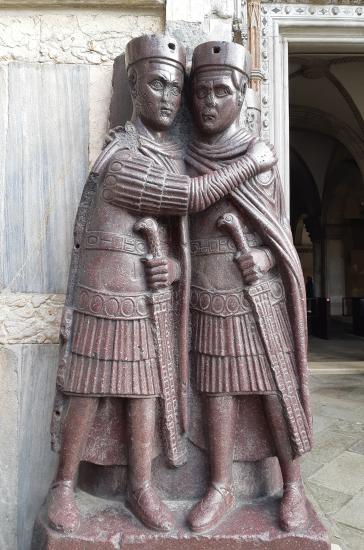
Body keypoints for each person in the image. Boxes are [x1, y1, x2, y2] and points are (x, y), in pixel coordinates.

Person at [48, 34, 276, 534]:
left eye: (176, 89)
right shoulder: (125, 156)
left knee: (145, 391)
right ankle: (63, 486)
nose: (171, 99)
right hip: (107, 291)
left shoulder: (168, 151)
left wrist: (173, 269)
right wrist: (252, 162)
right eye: (157, 85)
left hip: (151, 295)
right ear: (132, 86)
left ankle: (143, 486)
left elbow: (179, 240)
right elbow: (190, 199)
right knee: (89, 388)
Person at [185, 41, 313, 533]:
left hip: (258, 298)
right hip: (208, 296)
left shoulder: (263, 164)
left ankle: (292, 483)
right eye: (200, 92)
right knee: (217, 392)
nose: (208, 103)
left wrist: (260, 254)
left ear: (241, 96)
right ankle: (220, 484)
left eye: (220, 91)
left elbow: (279, 234)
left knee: (273, 392)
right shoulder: (187, 156)